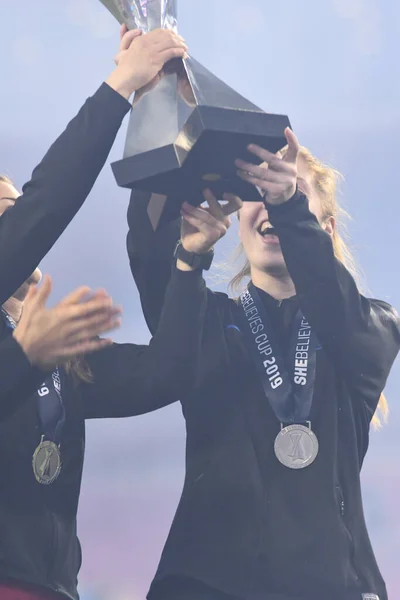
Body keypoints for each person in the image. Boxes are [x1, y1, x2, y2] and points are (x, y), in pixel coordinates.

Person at [127, 128, 400, 600]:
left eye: (288, 191)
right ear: (238, 213)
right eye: (259, 191)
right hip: (206, 584)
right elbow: (152, 252)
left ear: (325, 227)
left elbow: (337, 310)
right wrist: (160, 113)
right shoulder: (202, 321)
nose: (271, 203)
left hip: (332, 585)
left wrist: (289, 205)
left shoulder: (371, 326)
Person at [0, 24, 211, 600]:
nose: (14, 222)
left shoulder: (54, 344)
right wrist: (120, 83)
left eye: (10, 208)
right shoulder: (30, 346)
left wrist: (190, 262)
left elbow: (167, 374)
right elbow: (48, 203)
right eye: (3, 218)